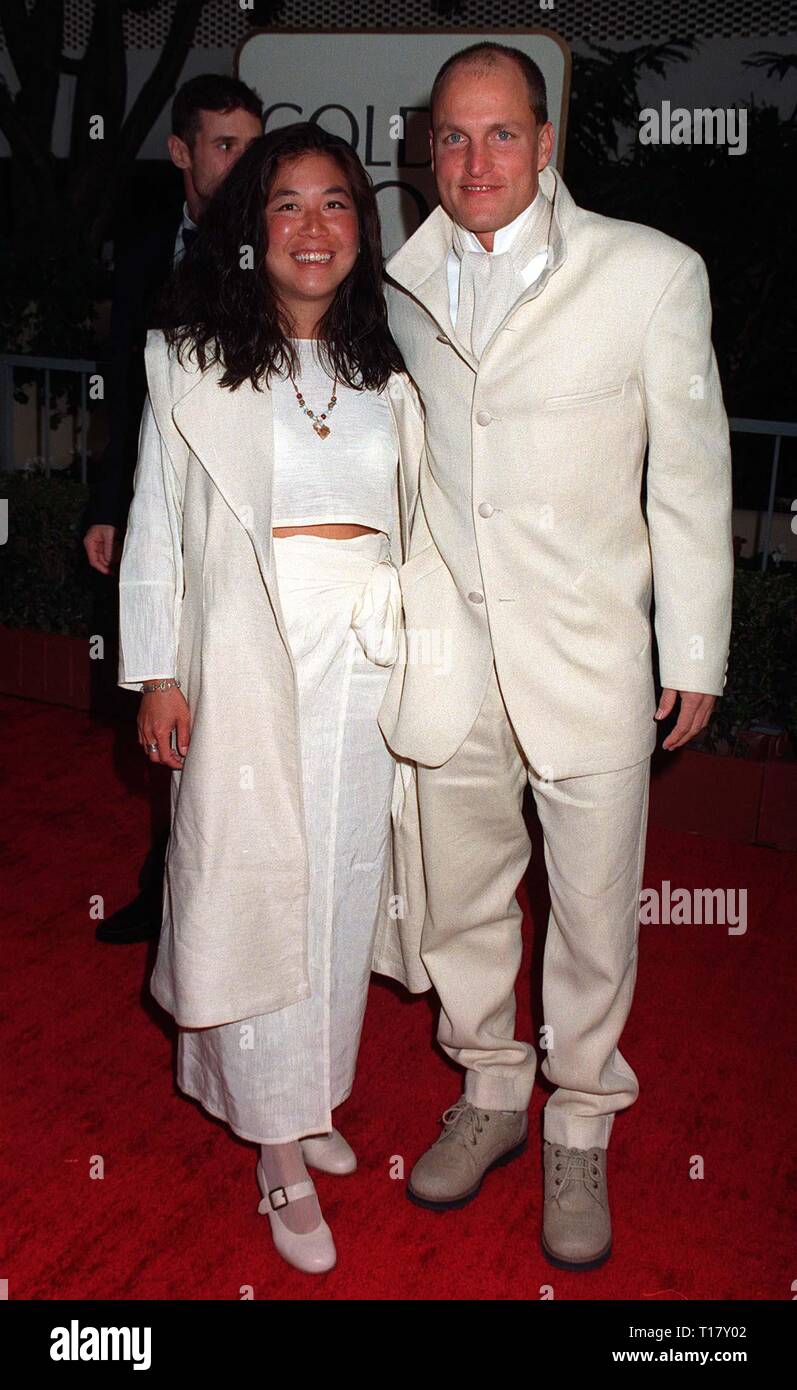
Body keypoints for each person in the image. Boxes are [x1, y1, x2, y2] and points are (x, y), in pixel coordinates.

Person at [378, 42, 733, 1270]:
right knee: (464, 900)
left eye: (501, 134)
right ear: (432, 148)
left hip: (586, 659)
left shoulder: (647, 273)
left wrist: (691, 646)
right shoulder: (400, 282)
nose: (475, 161)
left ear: (543, 141)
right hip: (452, 660)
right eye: (453, 138)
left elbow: (688, 476)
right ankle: (488, 1088)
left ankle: (578, 1119)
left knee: (590, 916)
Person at [117, 122, 427, 1275]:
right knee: (252, 887)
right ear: (251, 229)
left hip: (365, 657)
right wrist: (158, 670)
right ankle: (274, 1147)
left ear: (361, 225)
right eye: (286, 205)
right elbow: (156, 524)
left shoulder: (382, 367)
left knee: (342, 883)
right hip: (246, 652)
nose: (311, 227)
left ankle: (308, 1100)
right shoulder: (191, 357)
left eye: (335, 204)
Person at [87, 74, 263, 945]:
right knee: (168, 713)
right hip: (162, 512)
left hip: (246, 530)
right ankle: (166, 893)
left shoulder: (279, 247)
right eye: (223, 144)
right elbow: (123, 393)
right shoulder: (148, 250)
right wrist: (107, 506)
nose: (240, 162)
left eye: (250, 143)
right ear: (183, 151)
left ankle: (219, 903)